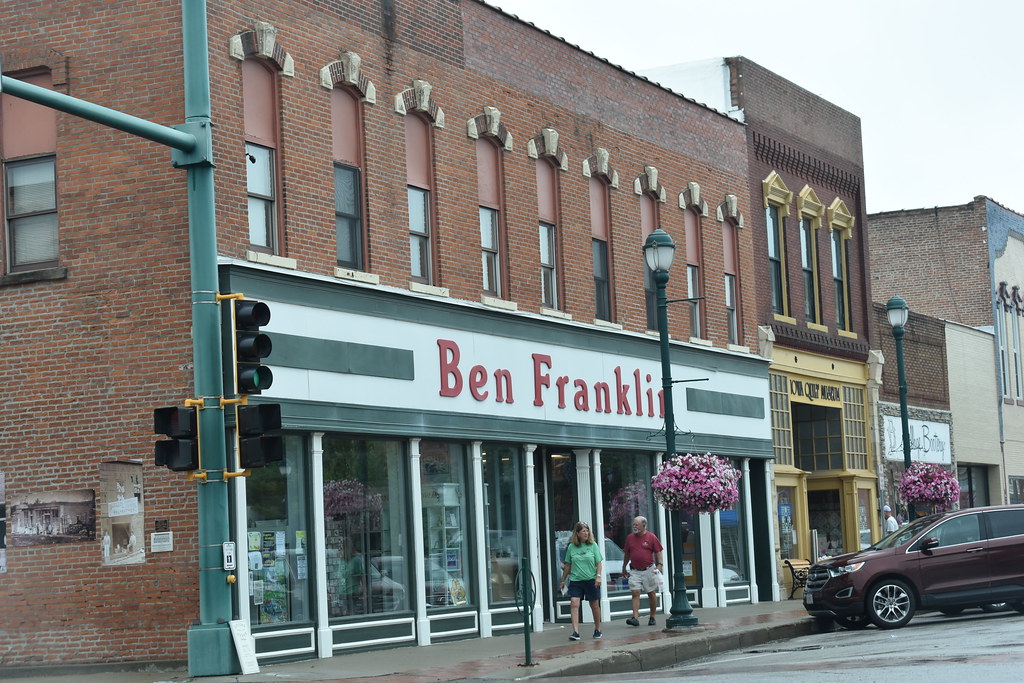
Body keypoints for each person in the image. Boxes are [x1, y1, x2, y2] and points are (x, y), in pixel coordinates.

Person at [558, 521, 603, 641]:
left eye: (587, 530)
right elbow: (568, 565)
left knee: (594, 605)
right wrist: (562, 581)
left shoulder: (593, 545)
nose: (586, 533)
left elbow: (599, 563)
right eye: (583, 531)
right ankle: (575, 632)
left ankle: (598, 629)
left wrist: (598, 576)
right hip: (576, 580)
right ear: (577, 533)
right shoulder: (572, 547)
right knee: (574, 603)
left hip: (591, 580)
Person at [621, 515, 663, 626]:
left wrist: (660, 565)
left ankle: (652, 616)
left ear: (643, 526)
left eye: (636, 524)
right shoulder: (630, 538)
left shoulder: (651, 537)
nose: (634, 526)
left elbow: (658, 551)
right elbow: (627, 553)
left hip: (649, 569)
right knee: (635, 592)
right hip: (634, 570)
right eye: (633, 524)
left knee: (651, 593)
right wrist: (624, 567)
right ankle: (635, 617)